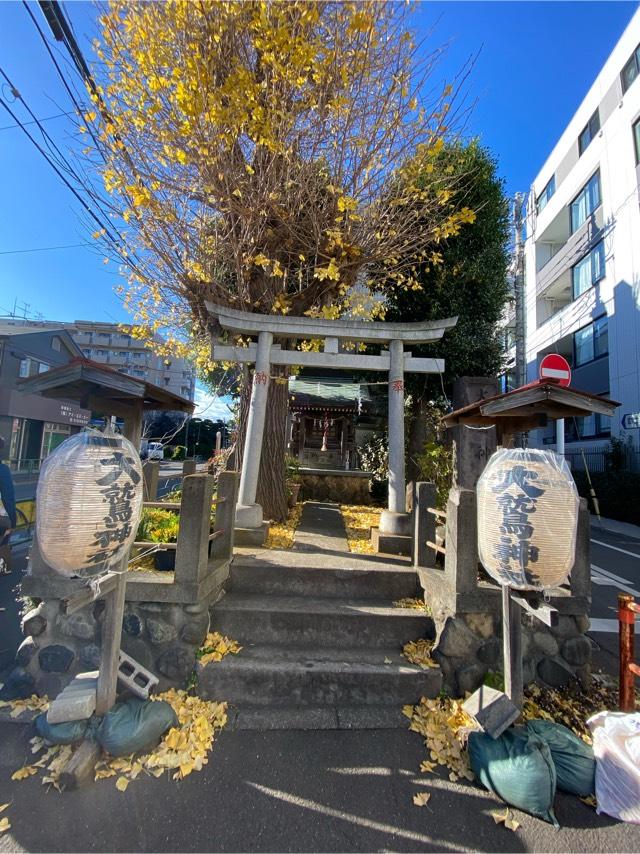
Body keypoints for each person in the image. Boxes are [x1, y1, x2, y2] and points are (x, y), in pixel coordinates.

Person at [0, 437, 16, 574]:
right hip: (1, 517)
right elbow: (8, 497)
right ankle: (5, 568)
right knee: (4, 540)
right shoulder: (2, 469)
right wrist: (13, 521)